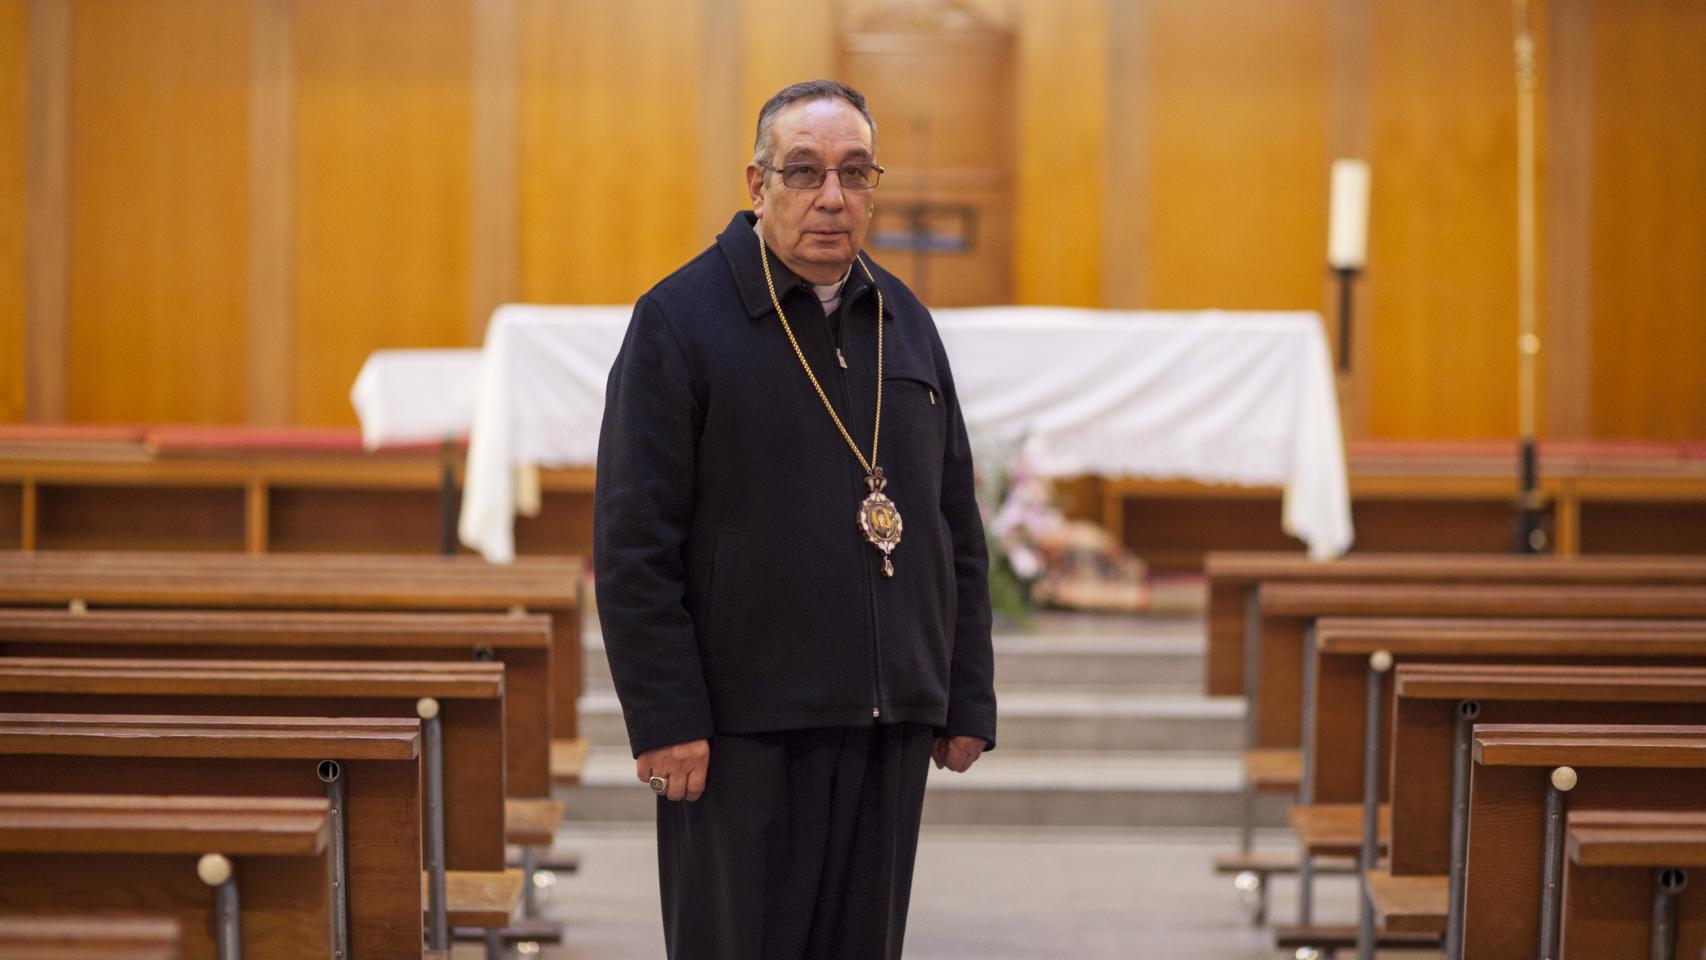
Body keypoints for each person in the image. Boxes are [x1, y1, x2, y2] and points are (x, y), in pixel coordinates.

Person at [593, 78, 997, 960]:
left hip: (886, 719)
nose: (832, 198)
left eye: (855, 174)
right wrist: (665, 716)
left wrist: (964, 692)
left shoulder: (904, 318)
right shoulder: (680, 321)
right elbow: (633, 543)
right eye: (805, 172)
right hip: (741, 729)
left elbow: (951, 523)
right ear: (757, 183)